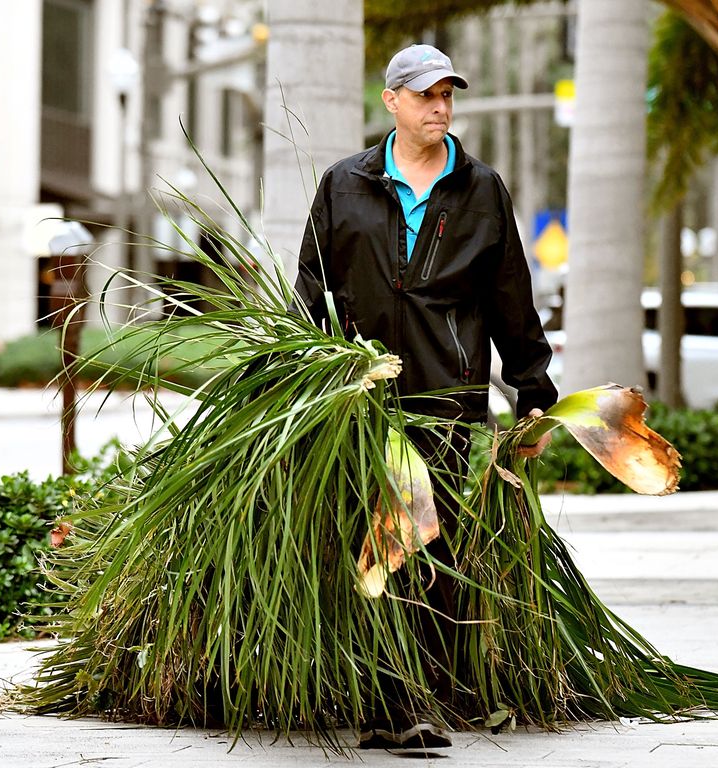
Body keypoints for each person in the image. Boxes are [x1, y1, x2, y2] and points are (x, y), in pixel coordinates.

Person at [293, 43, 558, 750]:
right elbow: (310, 293)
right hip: (360, 400)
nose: (439, 106)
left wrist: (534, 389)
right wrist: (303, 378)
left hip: (449, 396)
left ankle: (414, 699)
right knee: (372, 542)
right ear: (392, 102)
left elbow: (511, 298)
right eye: (424, 95)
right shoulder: (342, 184)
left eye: (447, 95)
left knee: (427, 542)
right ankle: (388, 700)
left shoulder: (481, 188)